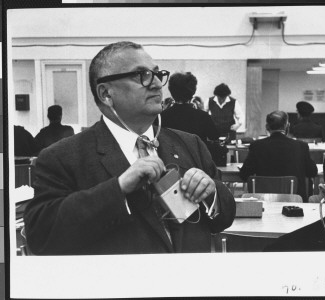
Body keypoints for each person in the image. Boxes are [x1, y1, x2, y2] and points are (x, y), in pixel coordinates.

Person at [24, 41, 236, 255]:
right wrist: (118, 188)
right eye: (141, 75)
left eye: (156, 74)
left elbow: (224, 218)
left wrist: (212, 193)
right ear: (106, 93)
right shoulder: (62, 157)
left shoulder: (191, 144)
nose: (156, 84)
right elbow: (42, 237)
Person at [239, 110, 317, 202]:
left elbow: (244, 175)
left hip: (264, 200)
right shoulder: (301, 146)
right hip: (294, 201)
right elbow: (312, 172)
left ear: (267, 127)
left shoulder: (256, 146)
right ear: (287, 126)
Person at [161, 72, 219, 143]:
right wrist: (202, 110)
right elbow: (214, 136)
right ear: (193, 91)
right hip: (196, 153)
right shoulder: (202, 116)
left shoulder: (162, 116)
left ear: (171, 91)